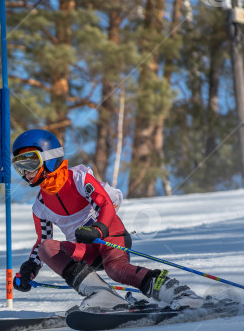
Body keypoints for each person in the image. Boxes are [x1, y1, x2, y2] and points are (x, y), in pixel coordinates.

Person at [11, 128, 206, 311]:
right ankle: (103, 295)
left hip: (109, 235)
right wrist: (30, 269)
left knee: (115, 269)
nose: (26, 173)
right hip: (85, 249)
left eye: (30, 163)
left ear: (49, 158)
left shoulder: (78, 179)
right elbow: (41, 242)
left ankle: (180, 293)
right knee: (47, 247)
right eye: (19, 167)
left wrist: (98, 229)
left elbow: (104, 205)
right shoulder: (40, 206)